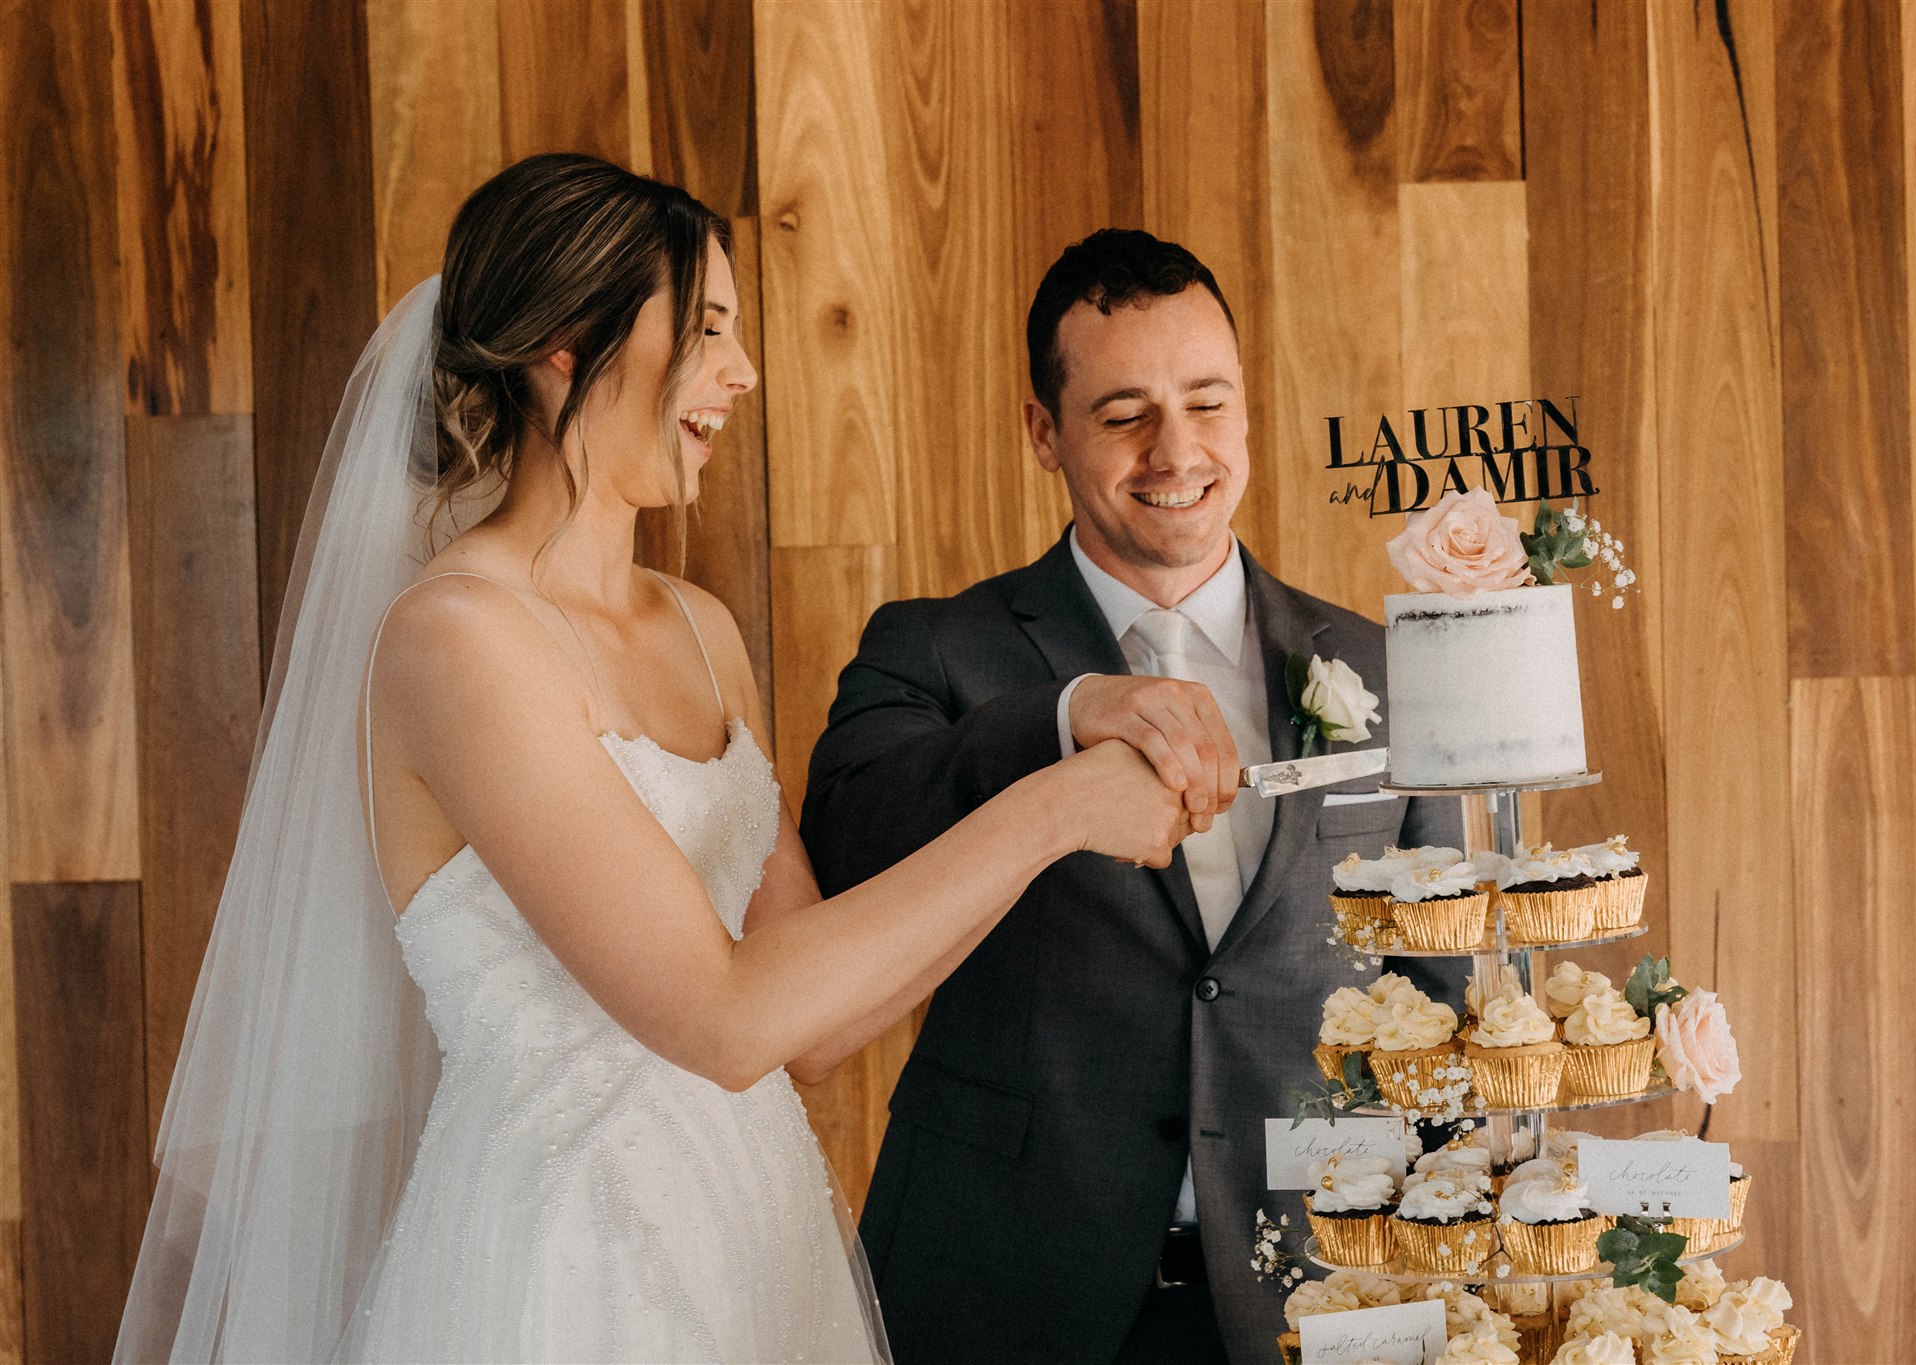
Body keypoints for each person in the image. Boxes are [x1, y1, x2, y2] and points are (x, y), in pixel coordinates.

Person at [116, 155, 1191, 1364]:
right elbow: (722, 1019)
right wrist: (1049, 812)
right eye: (708, 328)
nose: (742, 371)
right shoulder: (457, 640)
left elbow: (810, 1028)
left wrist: (1062, 812)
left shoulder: (697, 627)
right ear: (565, 350)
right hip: (570, 1264)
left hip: (751, 1237)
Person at [801, 228, 1463, 1365]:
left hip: (1315, 1299)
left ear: (1247, 412)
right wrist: (1060, 720)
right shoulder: (934, 648)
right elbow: (843, 844)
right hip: (1002, 1288)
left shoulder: (1386, 668)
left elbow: (1437, 987)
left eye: (1207, 403)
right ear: (1041, 433)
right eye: (1122, 416)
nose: (1176, 451)